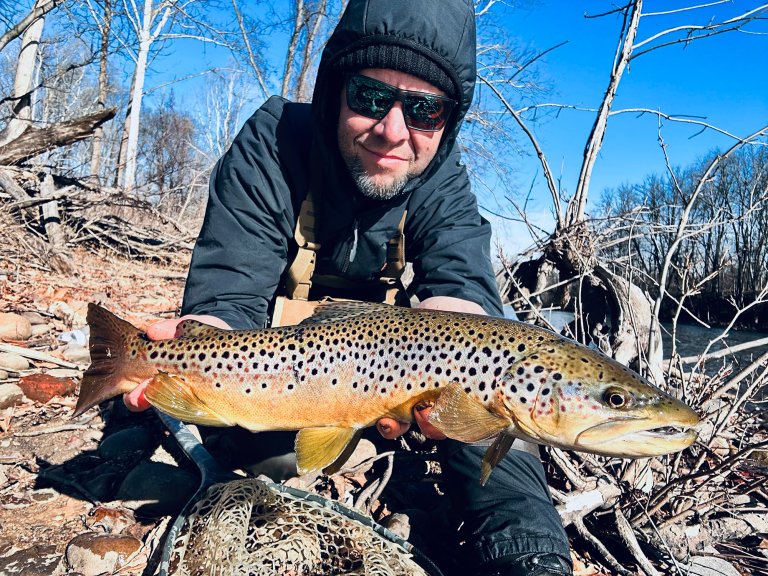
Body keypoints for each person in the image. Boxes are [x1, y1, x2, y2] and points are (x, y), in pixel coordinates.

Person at [125, 0, 572, 574]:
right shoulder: (273, 144)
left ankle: (528, 553)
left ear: (446, 121)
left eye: (424, 110)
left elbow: (462, 288)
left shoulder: (443, 180)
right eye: (368, 97)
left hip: (401, 362)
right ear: (336, 89)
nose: (393, 130)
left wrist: (459, 362)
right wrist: (197, 340)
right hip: (283, 360)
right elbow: (230, 292)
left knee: (498, 401)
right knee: (270, 454)